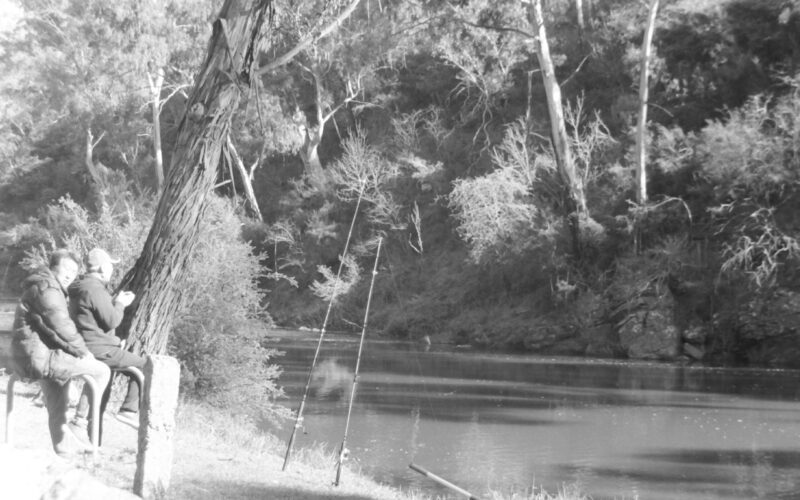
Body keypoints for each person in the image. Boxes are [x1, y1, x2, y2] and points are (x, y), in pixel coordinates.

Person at [10, 249, 111, 457]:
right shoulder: (48, 288)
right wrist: (83, 353)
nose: (69, 275)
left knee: (58, 403)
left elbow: (50, 330)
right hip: (39, 359)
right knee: (101, 371)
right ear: (53, 266)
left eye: (73, 272)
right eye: (65, 269)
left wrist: (73, 351)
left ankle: (63, 452)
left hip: (31, 357)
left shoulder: (40, 285)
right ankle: (80, 423)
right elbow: (61, 326)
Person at [68, 248, 142, 433]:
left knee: (98, 376)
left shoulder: (80, 286)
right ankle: (129, 410)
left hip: (88, 344)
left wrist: (115, 341)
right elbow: (112, 320)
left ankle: (80, 420)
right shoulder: (94, 289)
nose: (112, 270)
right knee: (145, 366)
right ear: (102, 268)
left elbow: (94, 323)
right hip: (99, 348)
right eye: (110, 265)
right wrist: (120, 303)